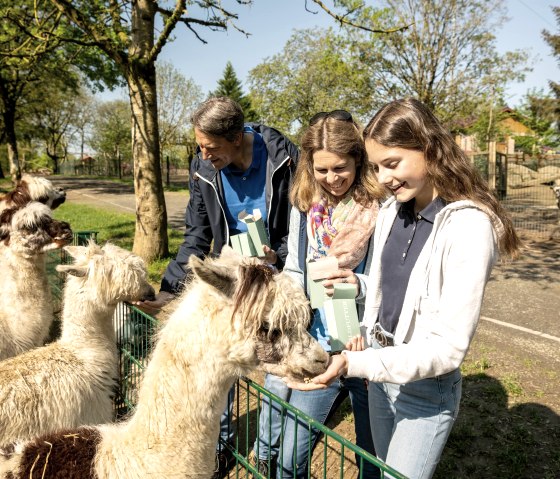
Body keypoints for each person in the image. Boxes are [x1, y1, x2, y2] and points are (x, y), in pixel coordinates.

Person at [287, 98, 521, 479]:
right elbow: (396, 288)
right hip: (381, 375)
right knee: (379, 470)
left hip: (424, 389)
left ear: (429, 149)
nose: (382, 178)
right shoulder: (391, 211)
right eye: (377, 167)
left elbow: (447, 349)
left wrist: (352, 363)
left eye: (392, 164)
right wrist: (358, 285)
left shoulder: (468, 228)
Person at [135, 96, 299, 479]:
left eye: (210, 147)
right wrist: (168, 290)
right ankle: (219, 448)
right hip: (230, 275)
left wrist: (281, 256)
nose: (203, 155)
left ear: (236, 137)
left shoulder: (283, 159)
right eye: (199, 147)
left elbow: (301, 225)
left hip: (275, 271)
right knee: (218, 356)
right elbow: (197, 233)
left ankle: (267, 450)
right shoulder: (203, 166)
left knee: (273, 356)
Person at [249, 109, 386, 479]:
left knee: (371, 451)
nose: (332, 179)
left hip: (364, 341)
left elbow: (385, 279)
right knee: (292, 455)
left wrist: (357, 289)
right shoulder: (306, 202)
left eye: (340, 168)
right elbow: (296, 266)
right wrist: (284, 305)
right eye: (322, 170)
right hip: (320, 340)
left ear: (358, 159)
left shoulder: (379, 207)